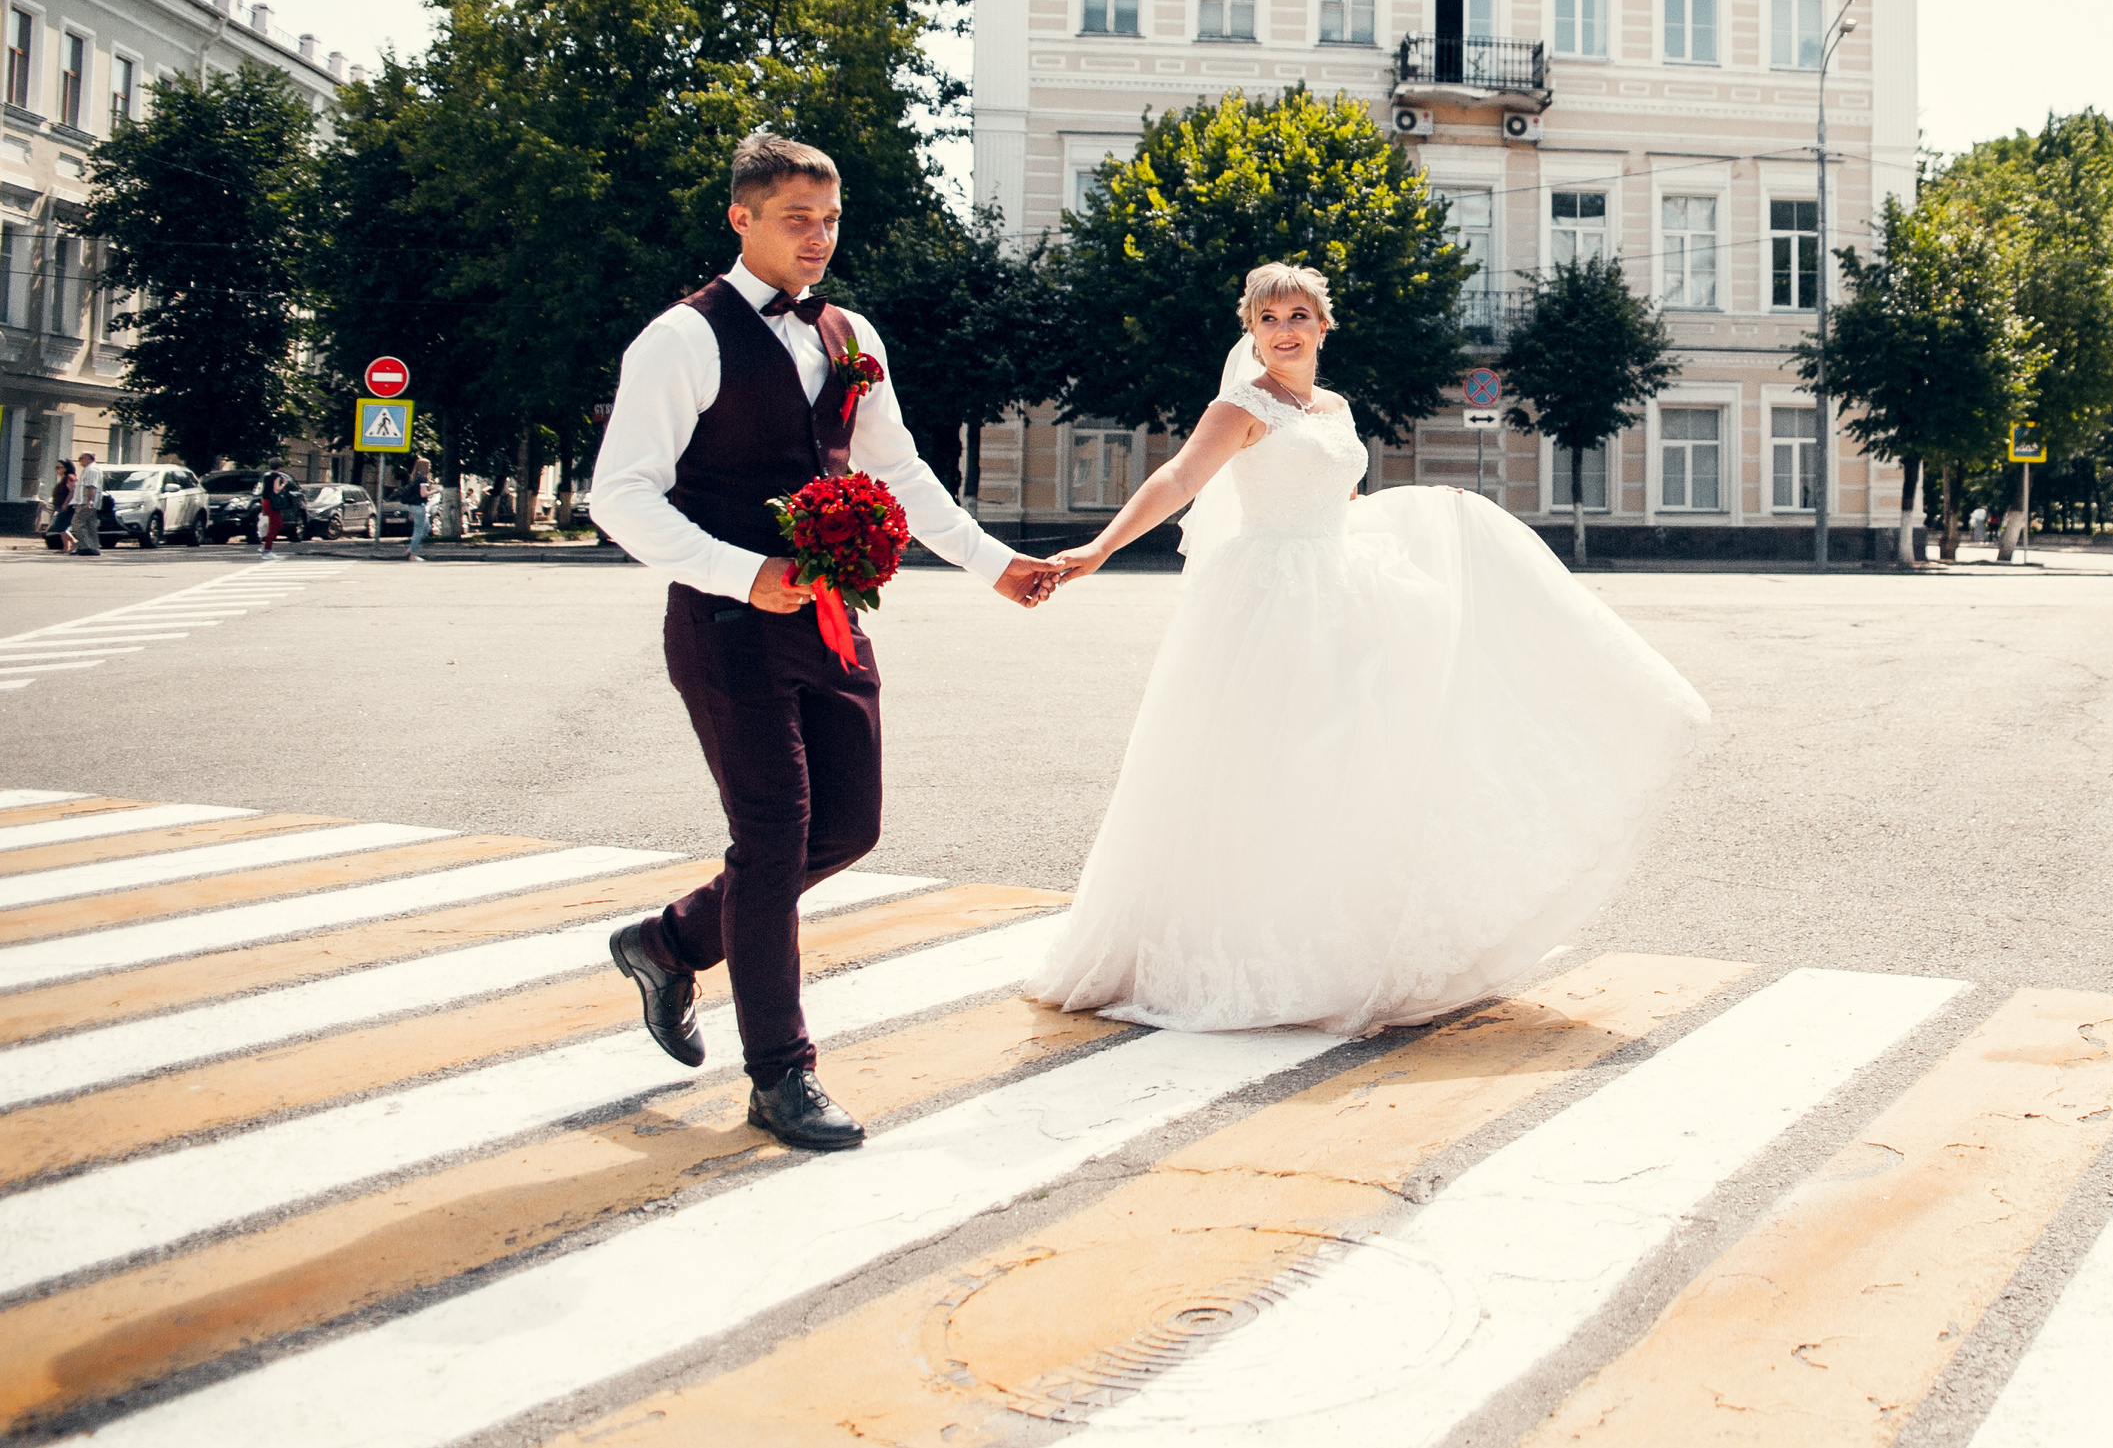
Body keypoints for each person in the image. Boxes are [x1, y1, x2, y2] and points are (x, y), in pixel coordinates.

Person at [1028, 264, 1711, 1036]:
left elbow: (1342, 505)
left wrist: (1435, 509)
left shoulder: (1337, 407)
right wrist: (1098, 547)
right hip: (1270, 599)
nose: (1283, 330)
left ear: (1324, 325)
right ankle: (1241, 950)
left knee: (1352, 770)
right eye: (1267, 318)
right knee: (1269, 773)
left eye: (1298, 315)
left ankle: (1336, 937)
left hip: (1340, 585)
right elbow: (1181, 477)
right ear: (1250, 331)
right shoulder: (1240, 406)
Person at [590, 132, 1065, 1153]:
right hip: (725, 625)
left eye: (830, 218)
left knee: (847, 830)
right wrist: (744, 571)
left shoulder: (850, 335)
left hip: (833, 618)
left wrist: (993, 564)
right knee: (770, 843)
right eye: (797, 219)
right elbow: (618, 495)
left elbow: (897, 470)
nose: (818, 238)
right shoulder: (681, 339)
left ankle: (667, 943)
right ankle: (781, 1075)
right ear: (742, 219)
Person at [256, 462, 292, 560]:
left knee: (276, 524)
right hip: (273, 503)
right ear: (280, 467)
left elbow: (263, 492)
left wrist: (263, 507)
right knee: (275, 525)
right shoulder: (277, 476)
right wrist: (284, 484)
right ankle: (267, 550)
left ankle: (266, 547)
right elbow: (276, 490)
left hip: (266, 502)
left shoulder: (266, 476)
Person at [67, 454, 101, 557]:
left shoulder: (91, 470)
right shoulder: (91, 469)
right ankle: (93, 547)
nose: (79, 462)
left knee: (77, 522)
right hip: (87, 501)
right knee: (90, 525)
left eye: (80, 459)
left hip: (85, 502)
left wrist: (89, 501)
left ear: (87, 459)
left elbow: (91, 486)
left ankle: (85, 546)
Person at [403, 457, 434, 562]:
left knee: (426, 527)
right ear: (424, 467)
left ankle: (410, 549)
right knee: (418, 531)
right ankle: (413, 555)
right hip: (419, 506)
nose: (430, 468)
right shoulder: (423, 478)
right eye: (429, 466)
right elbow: (423, 493)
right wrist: (436, 491)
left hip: (413, 506)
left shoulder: (415, 477)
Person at [46, 459, 73, 553]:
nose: (56, 469)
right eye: (56, 467)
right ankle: (66, 547)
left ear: (65, 468)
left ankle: (74, 542)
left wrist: (66, 503)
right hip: (59, 505)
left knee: (59, 526)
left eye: (58, 467)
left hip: (65, 506)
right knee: (61, 527)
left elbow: (72, 492)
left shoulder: (69, 477)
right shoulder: (63, 478)